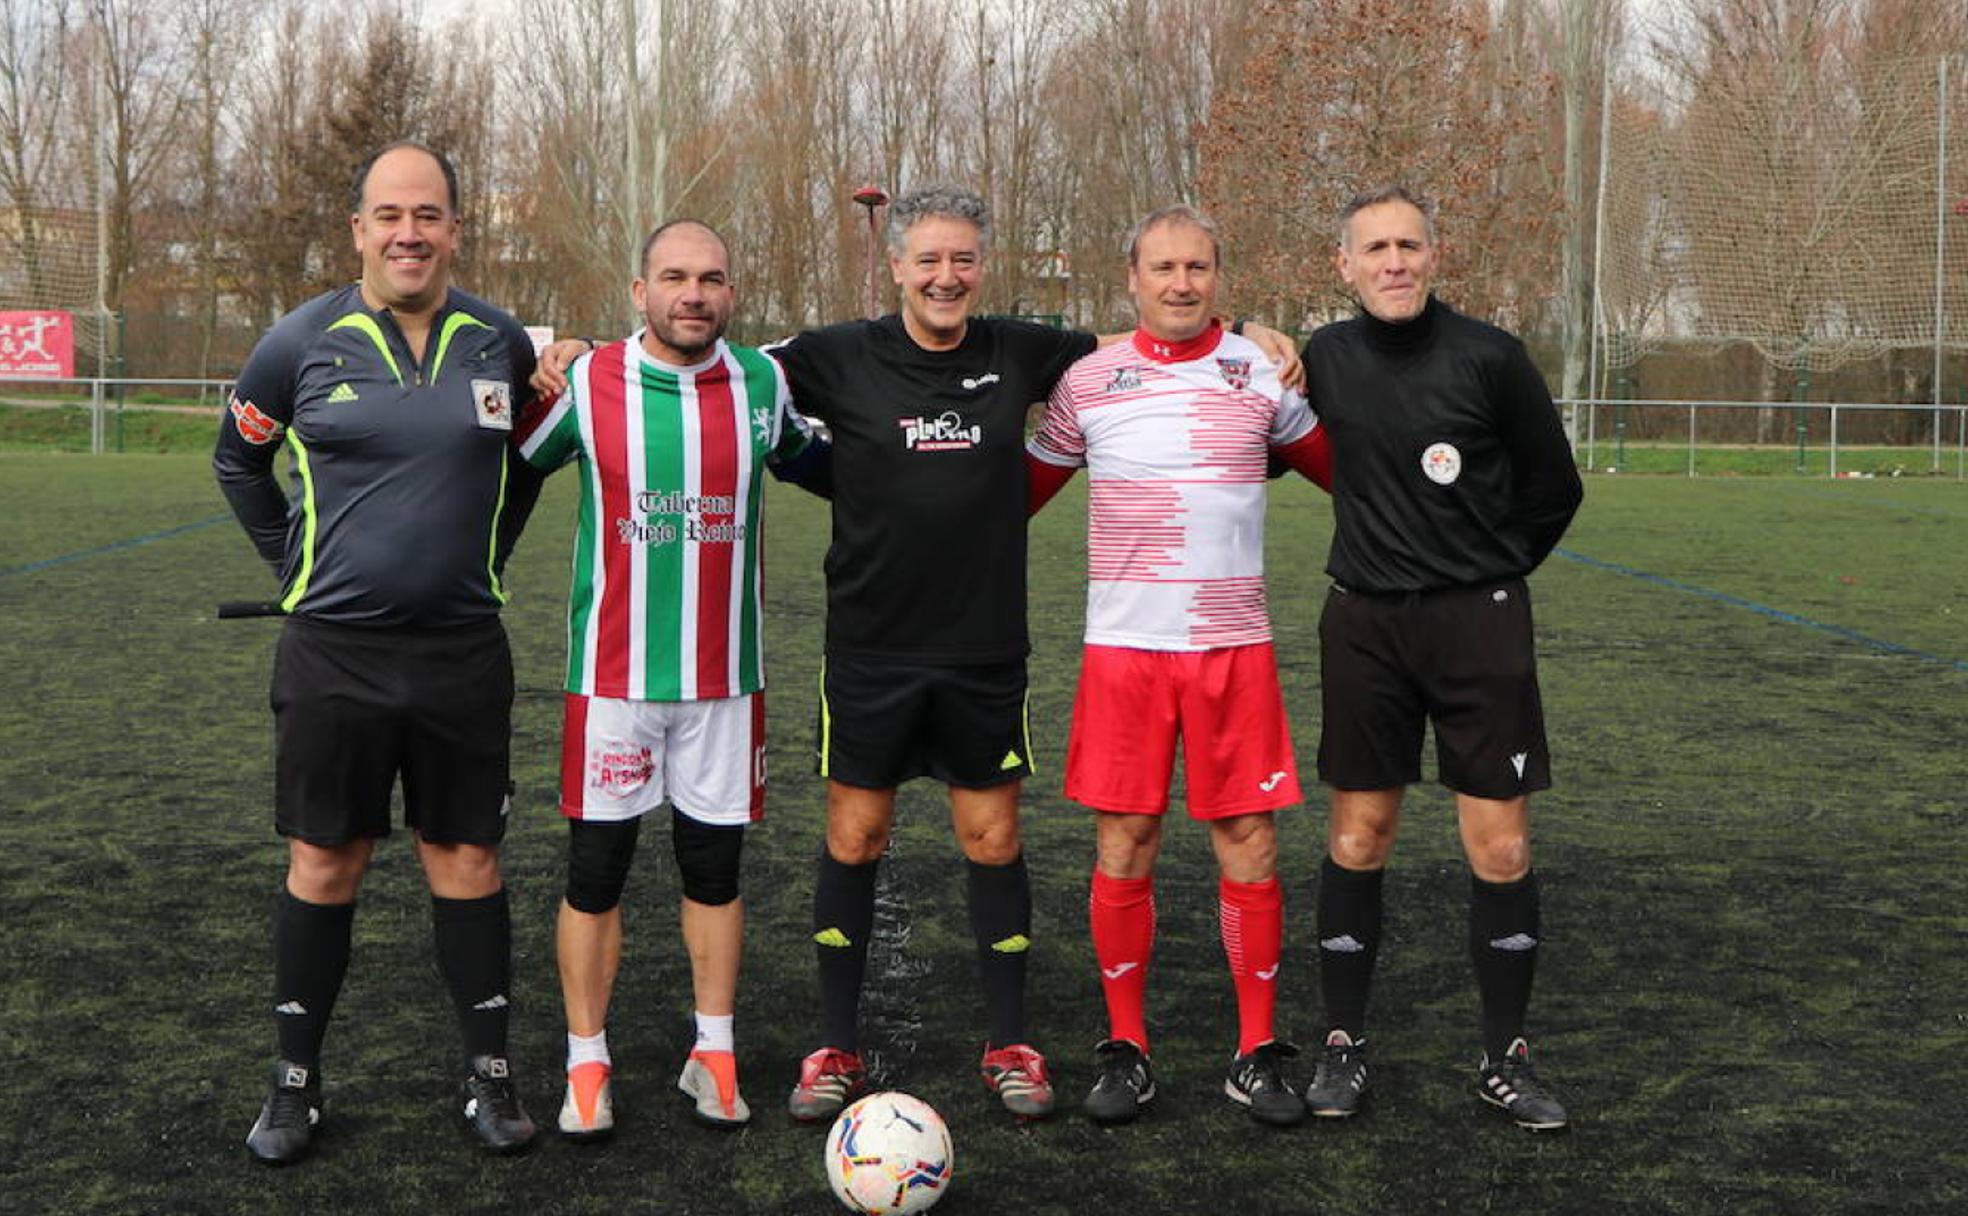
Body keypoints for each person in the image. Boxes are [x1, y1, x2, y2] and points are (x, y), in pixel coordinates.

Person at [531, 185, 1302, 1123]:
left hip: (983, 648)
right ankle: (834, 1047)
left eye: (963, 259)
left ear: (982, 267)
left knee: (993, 839)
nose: (946, 276)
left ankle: (1012, 1042)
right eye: (928, 259)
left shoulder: (1024, 349)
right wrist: (571, 349)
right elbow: (708, 358)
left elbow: (1141, 339)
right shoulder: (826, 357)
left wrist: (1250, 329)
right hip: (869, 646)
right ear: (896, 265)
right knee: (854, 837)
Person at [213, 141, 543, 1164]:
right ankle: (294, 1085)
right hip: (334, 656)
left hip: (460, 653)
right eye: (390, 215)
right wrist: (294, 564)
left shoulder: (499, 343)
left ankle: (489, 1077)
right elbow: (239, 458)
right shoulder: (296, 342)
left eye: (430, 214)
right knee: (325, 859)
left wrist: (485, 552)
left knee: (468, 856)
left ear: (454, 228)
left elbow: (529, 461)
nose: (410, 232)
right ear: (357, 228)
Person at [513, 219, 828, 1139]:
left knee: (715, 870)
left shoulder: (763, 383)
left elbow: (827, 465)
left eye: (713, 279)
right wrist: (539, 350)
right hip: (610, 680)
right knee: (595, 873)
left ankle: (714, 1053)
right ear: (639, 292)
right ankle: (586, 1063)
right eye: (675, 278)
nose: (694, 294)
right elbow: (510, 461)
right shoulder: (587, 380)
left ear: (732, 293)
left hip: (727, 680)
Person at [1025, 206, 1331, 1127]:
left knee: (1251, 843)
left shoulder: (1259, 373)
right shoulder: (1088, 381)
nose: (1180, 282)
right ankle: (1127, 1048)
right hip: (1126, 652)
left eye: (1197, 266)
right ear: (1133, 277)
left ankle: (1255, 1050)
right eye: (1163, 266)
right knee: (1126, 844)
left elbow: (1350, 473)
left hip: (1233, 651)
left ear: (1218, 277)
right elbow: (1010, 499)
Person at [1292, 185, 1583, 1132]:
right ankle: (1343, 1046)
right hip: (1366, 626)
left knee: (1500, 845)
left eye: (1409, 244)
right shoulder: (1323, 358)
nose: (1393, 262)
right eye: (1373, 247)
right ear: (1344, 265)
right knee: (1358, 835)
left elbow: (1554, 488)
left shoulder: (1491, 357)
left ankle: (1505, 1057)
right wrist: (1254, 330)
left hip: (1479, 627)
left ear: (1435, 253)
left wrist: (1487, 576)